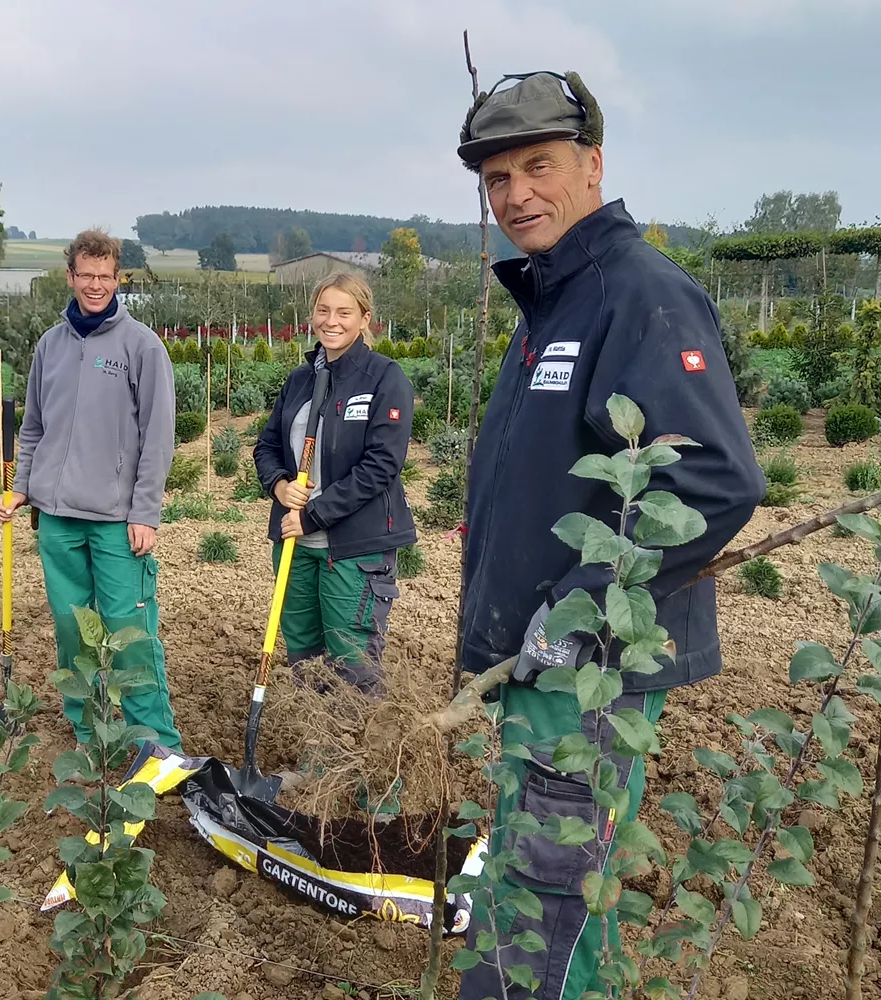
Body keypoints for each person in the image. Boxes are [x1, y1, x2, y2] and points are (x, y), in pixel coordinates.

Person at [454, 72, 765, 999]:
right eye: (497, 178)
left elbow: (715, 475)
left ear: (593, 165)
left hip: (587, 672)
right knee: (557, 905)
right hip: (541, 664)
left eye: (538, 166)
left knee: (534, 916)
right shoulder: (554, 301)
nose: (516, 195)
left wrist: (580, 610)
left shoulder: (638, 293)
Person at [0, 229, 182, 750]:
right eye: (86, 275)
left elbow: (158, 436)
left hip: (117, 522)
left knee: (129, 634)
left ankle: (156, 744)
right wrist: (20, 489)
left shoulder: (141, 346)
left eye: (106, 276)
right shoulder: (49, 346)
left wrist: (146, 511)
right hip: (57, 520)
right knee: (72, 634)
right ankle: (90, 733)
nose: (96, 285)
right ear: (71, 276)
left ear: (117, 277)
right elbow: (33, 428)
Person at [252, 273, 416, 697]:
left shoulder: (384, 378)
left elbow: (382, 464)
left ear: (365, 318)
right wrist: (279, 486)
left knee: (351, 663)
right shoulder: (300, 380)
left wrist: (313, 515)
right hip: (296, 547)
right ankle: (313, 756)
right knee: (304, 660)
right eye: (324, 310)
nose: (332, 321)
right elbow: (267, 445)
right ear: (312, 315)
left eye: (344, 312)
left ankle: (351, 759)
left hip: (354, 548)